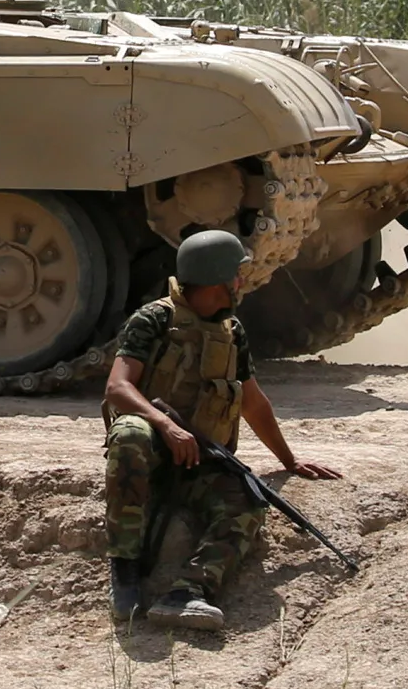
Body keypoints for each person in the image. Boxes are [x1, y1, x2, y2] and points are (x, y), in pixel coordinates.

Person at [101, 230, 342, 633]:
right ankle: (124, 574)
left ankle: (187, 592)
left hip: (201, 460)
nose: (240, 281)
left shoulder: (231, 331)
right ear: (216, 278)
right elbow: (117, 387)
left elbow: (253, 403)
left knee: (248, 502)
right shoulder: (154, 319)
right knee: (129, 432)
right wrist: (165, 425)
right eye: (236, 274)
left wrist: (290, 460)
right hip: (151, 452)